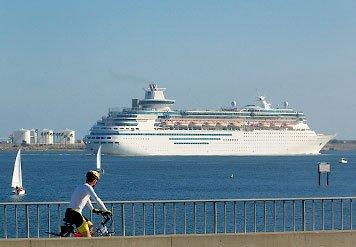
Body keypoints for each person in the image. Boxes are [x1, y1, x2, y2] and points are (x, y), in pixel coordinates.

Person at [64, 170, 112, 237]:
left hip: (71, 212)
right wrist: (105, 210)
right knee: (88, 238)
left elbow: (86, 199)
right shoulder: (88, 187)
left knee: (90, 225)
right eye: (96, 180)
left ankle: (80, 238)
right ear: (95, 180)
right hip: (75, 214)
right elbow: (97, 199)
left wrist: (92, 209)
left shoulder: (82, 186)